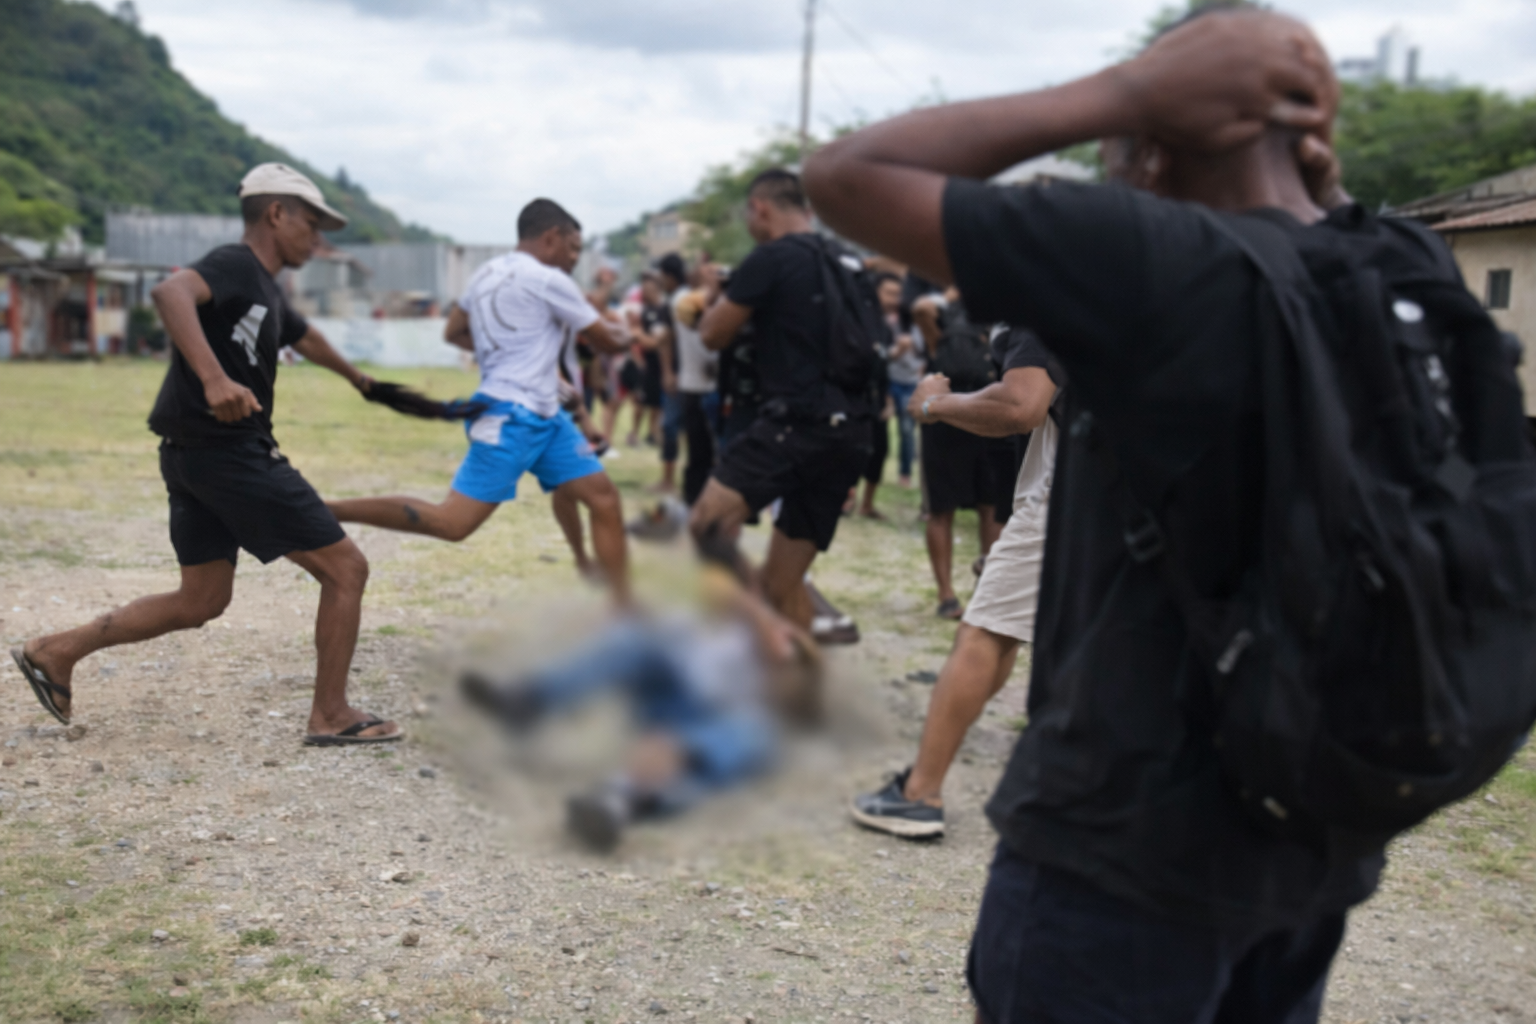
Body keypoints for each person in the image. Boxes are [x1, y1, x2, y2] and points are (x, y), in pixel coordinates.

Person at [805, 7, 1384, 1021]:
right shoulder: (1391, 269)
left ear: (1152, 145)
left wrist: (1123, 92)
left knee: (986, 634)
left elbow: (847, 174)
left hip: (1124, 829)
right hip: (1308, 824)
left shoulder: (1138, 263)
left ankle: (922, 788)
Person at [10, 163, 399, 745]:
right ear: (276, 213)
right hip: (231, 453)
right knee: (346, 569)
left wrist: (361, 380)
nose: (316, 240)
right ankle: (331, 715)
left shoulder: (264, 286)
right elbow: (172, 292)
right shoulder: (236, 263)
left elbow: (304, 335)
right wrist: (215, 379)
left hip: (192, 456)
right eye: (310, 223)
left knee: (201, 599)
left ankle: (55, 650)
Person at [327, 198, 634, 607]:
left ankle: (625, 610)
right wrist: (638, 333)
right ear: (551, 237)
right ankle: (329, 511)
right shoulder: (549, 279)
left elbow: (453, 332)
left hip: (545, 415)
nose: (574, 259)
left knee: (603, 497)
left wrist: (505, 350)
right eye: (573, 247)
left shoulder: (484, 275)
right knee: (452, 522)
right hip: (511, 417)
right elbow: (609, 341)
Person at [851, 326, 1059, 838]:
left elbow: (1021, 405)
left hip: (1065, 501)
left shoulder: (1044, 303)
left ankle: (918, 793)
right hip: (1142, 501)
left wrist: (935, 406)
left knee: (984, 633)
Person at [459, 565, 822, 851]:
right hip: (673, 692)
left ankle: (621, 799)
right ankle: (529, 700)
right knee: (634, 640)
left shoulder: (788, 651)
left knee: (750, 733)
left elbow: (799, 702)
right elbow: (671, 633)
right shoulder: (721, 624)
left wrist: (764, 626)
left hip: (717, 723)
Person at [690, 169, 875, 628]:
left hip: (794, 423)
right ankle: (801, 683)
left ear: (761, 208)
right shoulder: (848, 262)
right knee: (781, 586)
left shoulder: (770, 258)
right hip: (852, 431)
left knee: (703, 527)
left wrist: (717, 294)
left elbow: (713, 334)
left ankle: (731, 623)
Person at [911, 290, 1011, 618]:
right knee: (941, 507)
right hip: (945, 424)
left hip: (990, 418)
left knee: (992, 506)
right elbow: (922, 307)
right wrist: (953, 291)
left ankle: (988, 588)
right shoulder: (943, 317)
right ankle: (946, 594)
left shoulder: (1005, 317)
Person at [669, 258, 722, 506]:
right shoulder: (684, 301)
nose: (712, 273)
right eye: (707, 269)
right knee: (697, 449)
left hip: (718, 387)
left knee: (719, 450)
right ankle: (692, 500)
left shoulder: (726, 301)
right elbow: (695, 320)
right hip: (692, 385)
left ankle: (712, 501)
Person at [847, 271, 900, 520]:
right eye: (889, 293)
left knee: (880, 450)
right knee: (853, 450)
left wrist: (888, 400)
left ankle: (867, 504)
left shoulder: (885, 327)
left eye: (898, 294)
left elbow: (883, 367)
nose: (894, 299)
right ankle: (846, 500)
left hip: (878, 399)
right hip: (854, 398)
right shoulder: (856, 319)